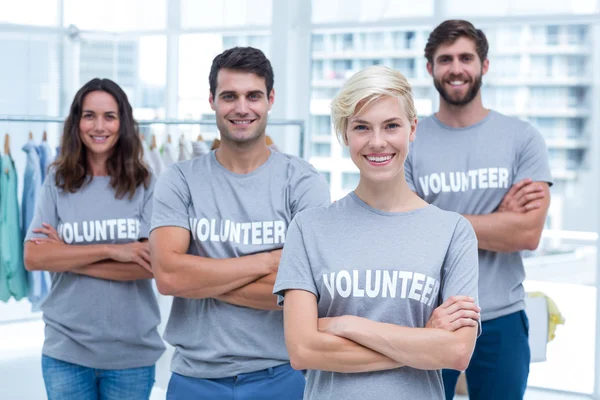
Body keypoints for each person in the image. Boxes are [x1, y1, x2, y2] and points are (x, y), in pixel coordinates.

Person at [273, 65, 481, 400]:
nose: (377, 142)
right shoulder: (308, 228)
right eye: (361, 127)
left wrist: (349, 325)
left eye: (391, 126)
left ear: (412, 129)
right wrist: (423, 339)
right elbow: (302, 350)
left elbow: (457, 353)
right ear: (344, 134)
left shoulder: (453, 232)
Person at [149, 46, 331, 400]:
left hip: (282, 375)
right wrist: (271, 261)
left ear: (270, 99)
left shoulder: (303, 183)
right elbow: (169, 277)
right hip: (194, 379)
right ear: (212, 101)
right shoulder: (180, 179)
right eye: (229, 96)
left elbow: (311, 295)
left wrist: (198, 278)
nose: (242, 107)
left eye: (253, 96)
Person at [405, 20, 553, 399]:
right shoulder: (408, 141)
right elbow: (403, 233)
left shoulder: (522, 138)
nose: (456, 68)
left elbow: (526, 234)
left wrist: (433, 217)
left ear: (484, 65)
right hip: (427, 317)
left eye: (466, 58)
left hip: (501, 317)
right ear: (430, 69)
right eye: (445, 59)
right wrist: (497, 218)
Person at [23, 78, 165, 400]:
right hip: (66, 352)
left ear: (123, 122)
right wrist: (113, 251)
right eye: (89, 115)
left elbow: (151, 266)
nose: (98, 126)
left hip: (132, 353)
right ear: (77, 122)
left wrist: (66, 254)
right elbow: (34, 258)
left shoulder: (146, 183)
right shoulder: (56, 181)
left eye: (109, 116)